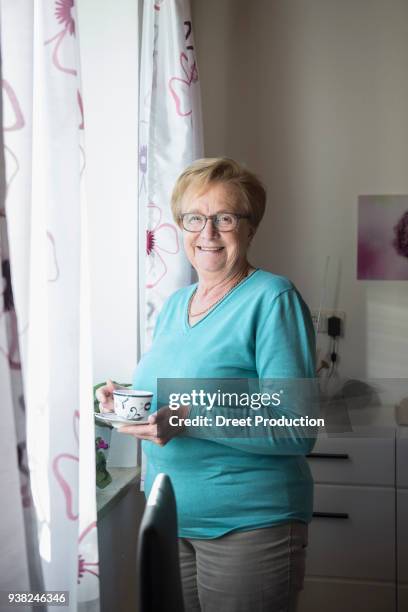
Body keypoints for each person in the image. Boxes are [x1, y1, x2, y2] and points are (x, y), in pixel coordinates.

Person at [97, 157, 318, 612]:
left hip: (250, 525)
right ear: (181, 227)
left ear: (250, 228)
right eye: (195, 218)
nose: (208, 232)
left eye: (225, 218)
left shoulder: (272, 298)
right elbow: (172, 394)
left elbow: (298, 427)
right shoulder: (177, 304)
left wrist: (191, 417)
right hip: (170, 519)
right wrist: (120, 397)